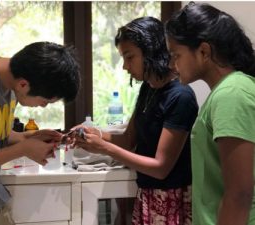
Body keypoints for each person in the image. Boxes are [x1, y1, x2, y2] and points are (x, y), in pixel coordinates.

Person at [74, 17, 198, 225]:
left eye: (129, 57)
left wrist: (104, 147)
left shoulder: (181, 97)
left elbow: (160, 167)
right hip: (146, 193)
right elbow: (130, 139)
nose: (124, 66)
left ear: (150, 52)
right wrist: (95, 133)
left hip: (169, 199)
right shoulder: (148, 88)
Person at [0, 41, 80, 225]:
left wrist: (26, 137)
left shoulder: (9, 81)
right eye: (45, 101)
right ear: (24, 84)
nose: (43, 106)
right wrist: (23, 149)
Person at [165, 2, 255, 225]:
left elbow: (239, 194)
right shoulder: (224, 92)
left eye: (176, 55)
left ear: (204, 51)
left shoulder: (231, 94)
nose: (172, 64)